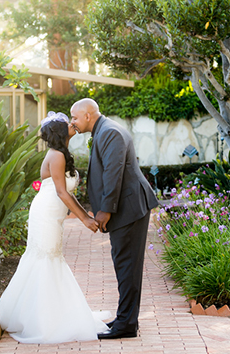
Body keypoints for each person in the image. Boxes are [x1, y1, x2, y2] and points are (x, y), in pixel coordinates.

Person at [0, 111, 110, 343]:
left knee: (50, 259)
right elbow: (60, 192)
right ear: (59, 132)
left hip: (53, 213)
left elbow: (66, 193)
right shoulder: (56, 155)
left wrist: (85, 214)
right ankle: (42, 320)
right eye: (68, 123)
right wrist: (85, 220)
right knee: (46, 259)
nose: (72, 124)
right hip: (45, 213)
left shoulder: (61, 154)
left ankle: (50, 313)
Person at [70, 98, 157, 340]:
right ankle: (125, 319)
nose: (73, 122)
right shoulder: (105, 130)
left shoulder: (110, 132)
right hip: (127, 208)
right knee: (124, 265)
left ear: (88, 115)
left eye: (75, 117)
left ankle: (126, 325)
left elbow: (113, 172)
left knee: (127, 266)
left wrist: (104, 210)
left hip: (128, 209)